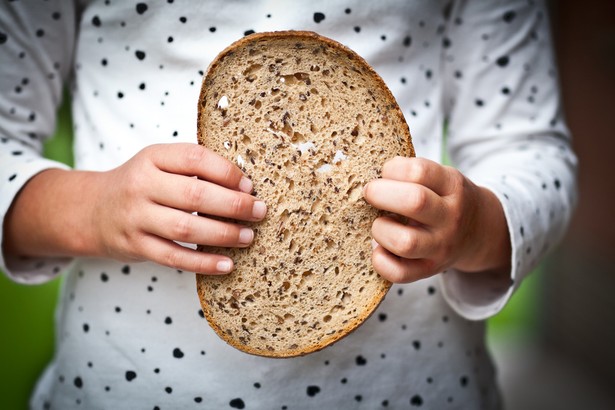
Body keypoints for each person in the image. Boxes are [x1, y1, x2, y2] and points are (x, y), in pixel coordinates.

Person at [0, 1, 577, 409]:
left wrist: (475, 226)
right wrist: (94, 208)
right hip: (125, 388)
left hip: (408, 387)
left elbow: (530, 149)